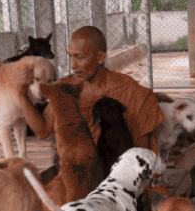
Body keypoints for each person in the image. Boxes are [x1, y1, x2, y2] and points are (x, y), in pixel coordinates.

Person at [18, 25, 164, 153]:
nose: (73, 65)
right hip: (76, 168)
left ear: (100, 57)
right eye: (70, 56)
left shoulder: (128, 90)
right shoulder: (65, 87)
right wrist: (22, 94)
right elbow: (43, 131)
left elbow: (142, 151)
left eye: (79, 57)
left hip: (119, 169)